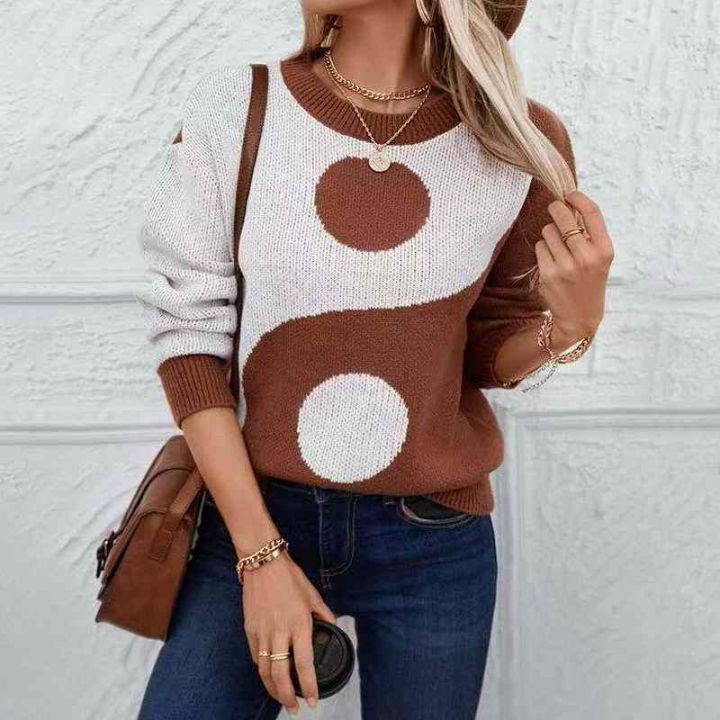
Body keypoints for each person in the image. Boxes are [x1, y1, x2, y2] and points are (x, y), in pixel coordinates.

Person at [135, 0, 614, 717]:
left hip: (434, 538)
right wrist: (260, 556)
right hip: (251, 516)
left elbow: (488, 345)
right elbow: (190, 338)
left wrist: (572, 325)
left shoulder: (519, 140)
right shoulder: (238, 106)